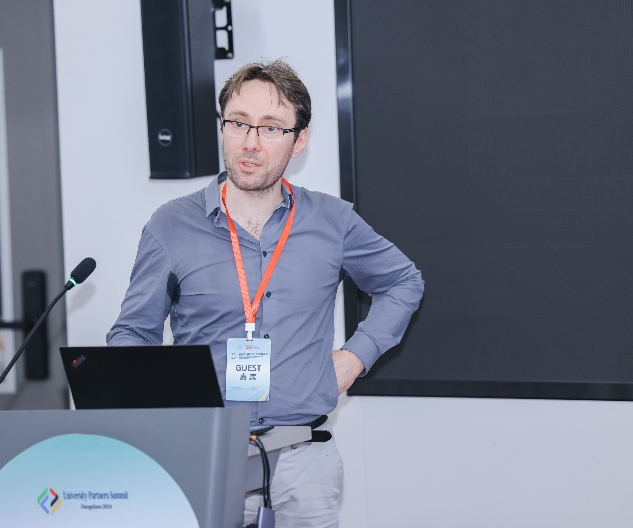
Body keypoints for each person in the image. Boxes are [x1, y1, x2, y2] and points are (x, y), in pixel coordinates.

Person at [107, 59, 424, 527]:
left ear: (300, 140)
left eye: (271, 128)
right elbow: (132, 332)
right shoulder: (170, 225)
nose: (250, 142)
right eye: (238, 123)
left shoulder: (332, 221)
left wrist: (355, 357)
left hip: (304, 462)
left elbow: (403, 281)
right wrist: (152, 389)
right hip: (205, 456)